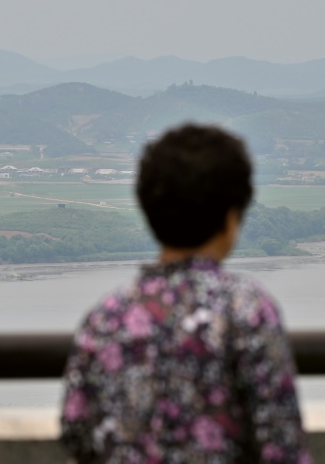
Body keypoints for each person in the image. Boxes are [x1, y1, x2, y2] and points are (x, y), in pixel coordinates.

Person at [60, 125, 311, 463]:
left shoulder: (106, 316)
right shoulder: (246, 309)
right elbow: (281, 443)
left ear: (149, 211)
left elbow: (76, 428)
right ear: (231, 219)